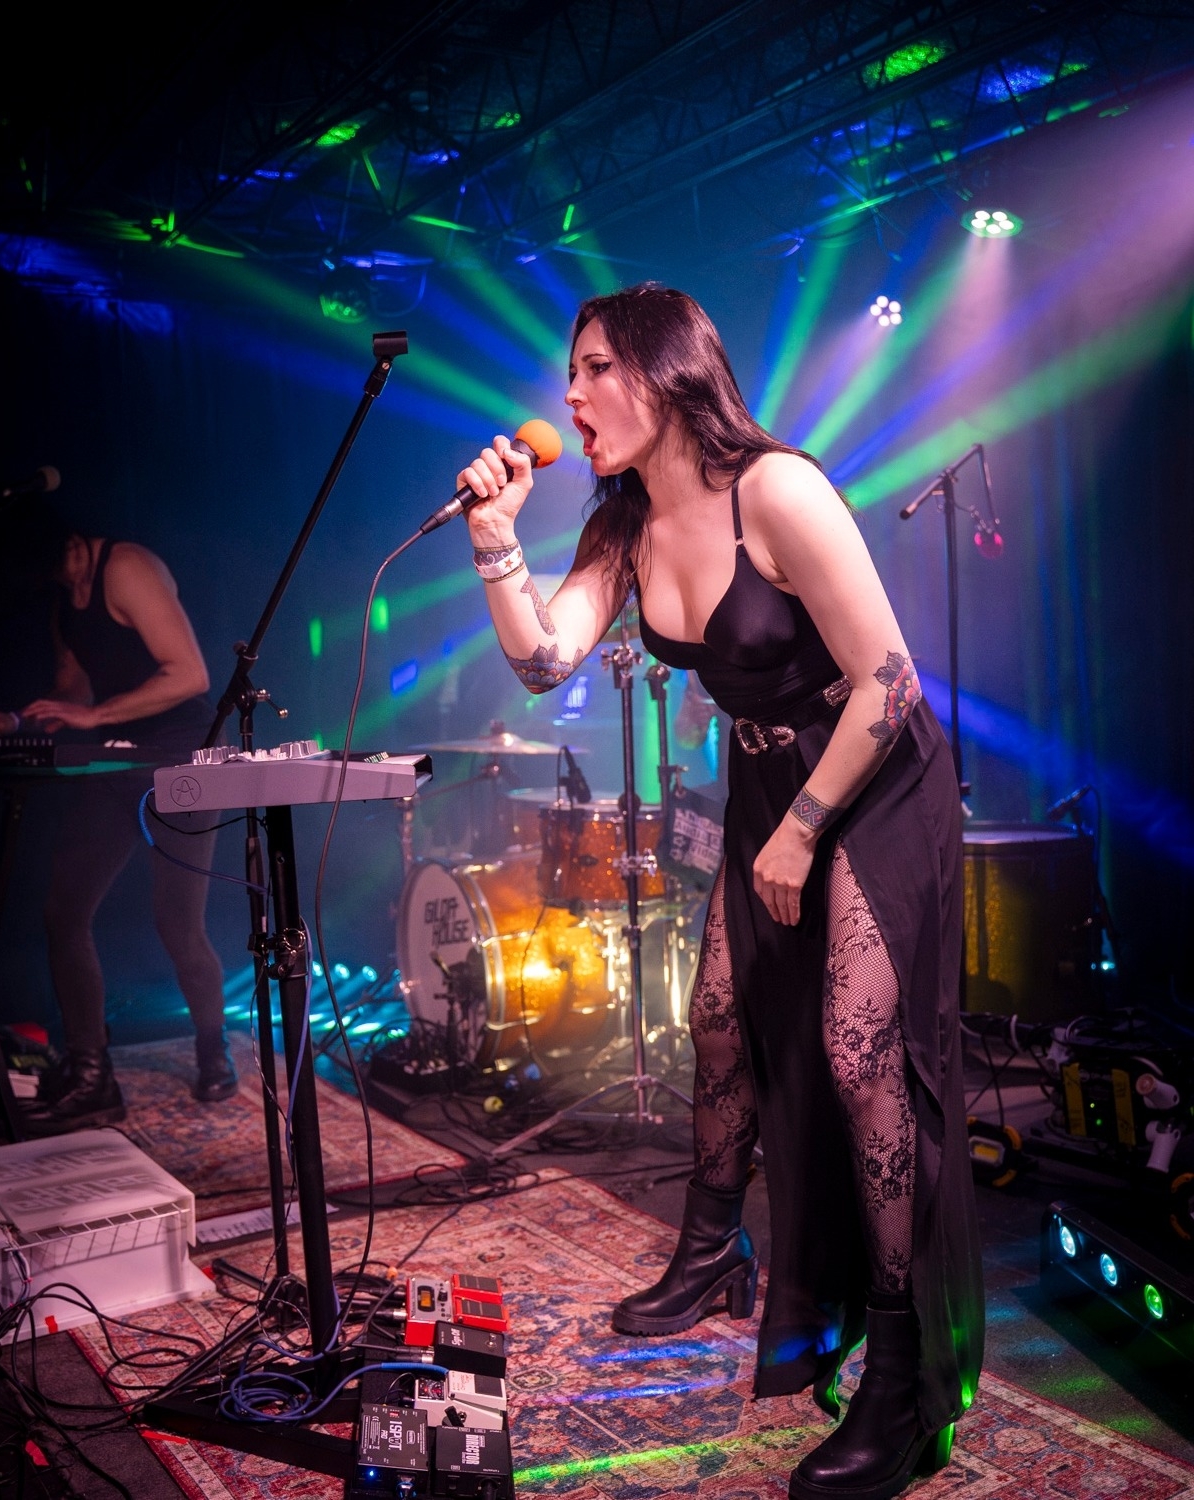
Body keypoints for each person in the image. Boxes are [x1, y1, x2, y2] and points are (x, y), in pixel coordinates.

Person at [454, 284, 983, 1500]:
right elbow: (542, 661)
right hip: (767, 785)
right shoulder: (624, 526)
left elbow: (890, 682)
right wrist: (496, 537)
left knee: (859, 1050)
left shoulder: (777, 491)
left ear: (667, 369)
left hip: (869, 780)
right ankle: (712, 1254)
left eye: (594, 368)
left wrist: (801, 832)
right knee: (718, 1019)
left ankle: (902, 1376)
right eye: (569, 374)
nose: (571, 397)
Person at [0, 501, 237, 1132]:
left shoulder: (125, 567)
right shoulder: (64, 595)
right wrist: (19, 719)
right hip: (117, 759)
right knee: (63, 911)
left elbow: (189, 674)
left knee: (178, 923)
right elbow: (74, 690)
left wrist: (95, 715)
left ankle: (212, 1045)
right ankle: (90, 1070)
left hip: (184, 758)